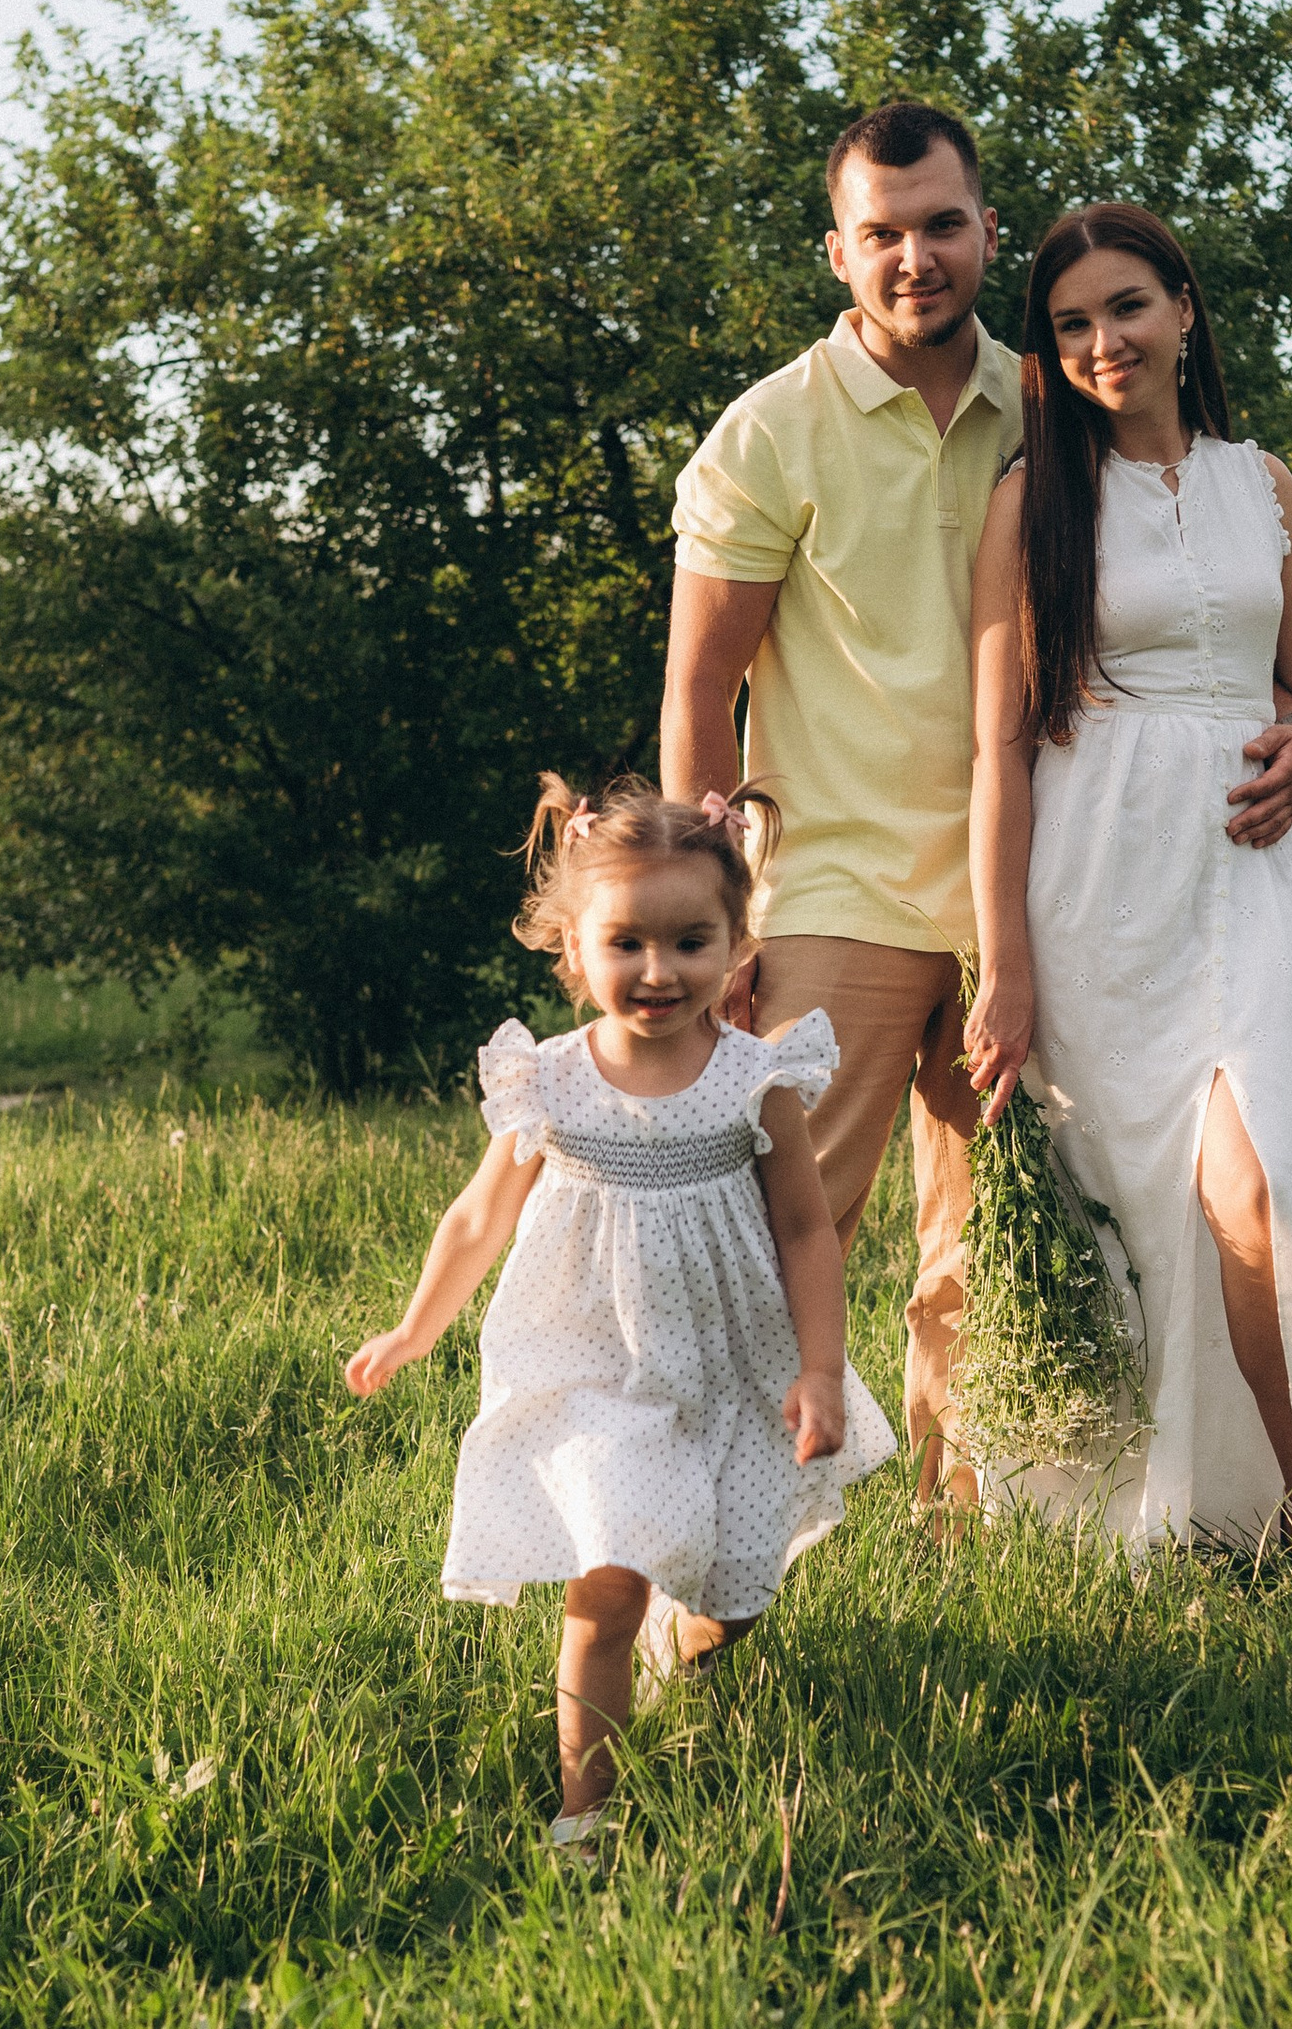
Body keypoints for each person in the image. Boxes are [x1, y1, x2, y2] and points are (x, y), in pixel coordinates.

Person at [663, 100, 1292, 1501]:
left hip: (1034, 898)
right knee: (784, 1231)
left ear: (984, 229)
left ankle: (955, 1542)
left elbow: (1189, 611)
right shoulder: (769, 431)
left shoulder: (1054, 399)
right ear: (838, 251)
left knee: (989, 1256)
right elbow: (699, 687)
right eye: (882, 234)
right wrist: (713, 923)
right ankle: (706, 1543)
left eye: (943, 225)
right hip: (836, 887)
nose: (915, 257)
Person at [345, 776, 894, 1852]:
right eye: (626, 942)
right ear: (573, 947)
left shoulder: (756, 1078)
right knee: (603, 1591)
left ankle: (689, 1643)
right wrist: (414, 1328)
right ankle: (583, 1813)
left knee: (737, 1593)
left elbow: (804, 1230)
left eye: (690, 942)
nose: (657, 970)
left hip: (732, 1365)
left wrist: (821, 1369)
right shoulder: (548, 1081)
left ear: (738, 944)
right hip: (593, 1372)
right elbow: (478, 1217)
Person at [962, 202, 1292, 1551]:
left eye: (1127, 305)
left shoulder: (1265, 484)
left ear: (1185, 310)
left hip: (1252, 883)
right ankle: (1176, 1515)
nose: (1103, 341)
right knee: (1138, 1205)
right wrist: (1006, 965)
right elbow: (997, 748)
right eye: (1070, 323)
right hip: (1097, 885)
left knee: (1256, 1187)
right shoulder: (1033, 499)